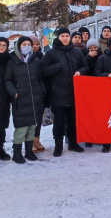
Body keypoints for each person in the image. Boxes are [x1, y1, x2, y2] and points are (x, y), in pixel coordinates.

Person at [42, 27, 89, 157]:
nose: (65, 38)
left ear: (70, 37)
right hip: (58, 93)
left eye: (67, 36)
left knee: (73, 121)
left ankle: (73, 143)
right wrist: (56, 67)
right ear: (58, 38)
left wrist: (81, 71)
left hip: (74, 93)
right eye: (62, 36)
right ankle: (58, 146)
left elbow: (85, 66)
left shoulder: (77, 52)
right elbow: (44, 70)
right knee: (58, 122)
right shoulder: (51, 53)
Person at [5, 36, 46, 164]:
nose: (27, 46)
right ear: (18, 46)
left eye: (29, 44)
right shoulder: (12, 62)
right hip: (20, 99)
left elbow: (41, 79)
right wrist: (14, 92)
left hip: (35, 98)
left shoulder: (36, 61)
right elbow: (7, 80)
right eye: (24, 44)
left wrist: (42, 90)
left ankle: (28, 152)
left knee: (32, 127)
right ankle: (17, 154)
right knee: (21, 128)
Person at [83, 38, 103, 148]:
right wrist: (88, 58)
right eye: (91, 48)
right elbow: (82, 68)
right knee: (88, 114)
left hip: (99, 88)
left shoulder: (102, 57)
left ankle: (97, 137)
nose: (93, 50)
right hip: (87, 88)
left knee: (98, 114)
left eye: (95, 48)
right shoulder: (84, 56)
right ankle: (88, 138)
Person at [29, 35, 46, 153]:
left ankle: (36, 139)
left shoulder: (42, 56)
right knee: (29, 118)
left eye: (37, 44)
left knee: (38, 117)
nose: (35, 46)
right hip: (27, 91)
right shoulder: (22, 57)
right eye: (32, 44)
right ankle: (29, 141)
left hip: (39, 91)